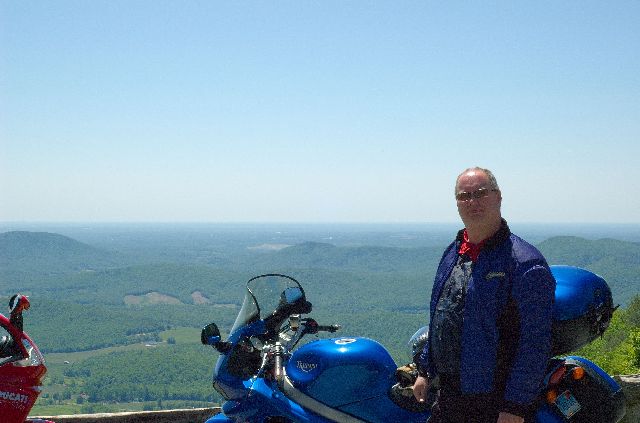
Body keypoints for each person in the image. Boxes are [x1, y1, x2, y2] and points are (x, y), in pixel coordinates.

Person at [413, 167, 556, 423]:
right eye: (464, 196)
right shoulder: (454, 252)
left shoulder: (524, 263)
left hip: (494, 400)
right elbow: (441, 318)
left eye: (480, 193)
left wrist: (515, 406)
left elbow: (535, 342)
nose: (472, 202)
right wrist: (425, 371)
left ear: (498, 197)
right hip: (451, 394)